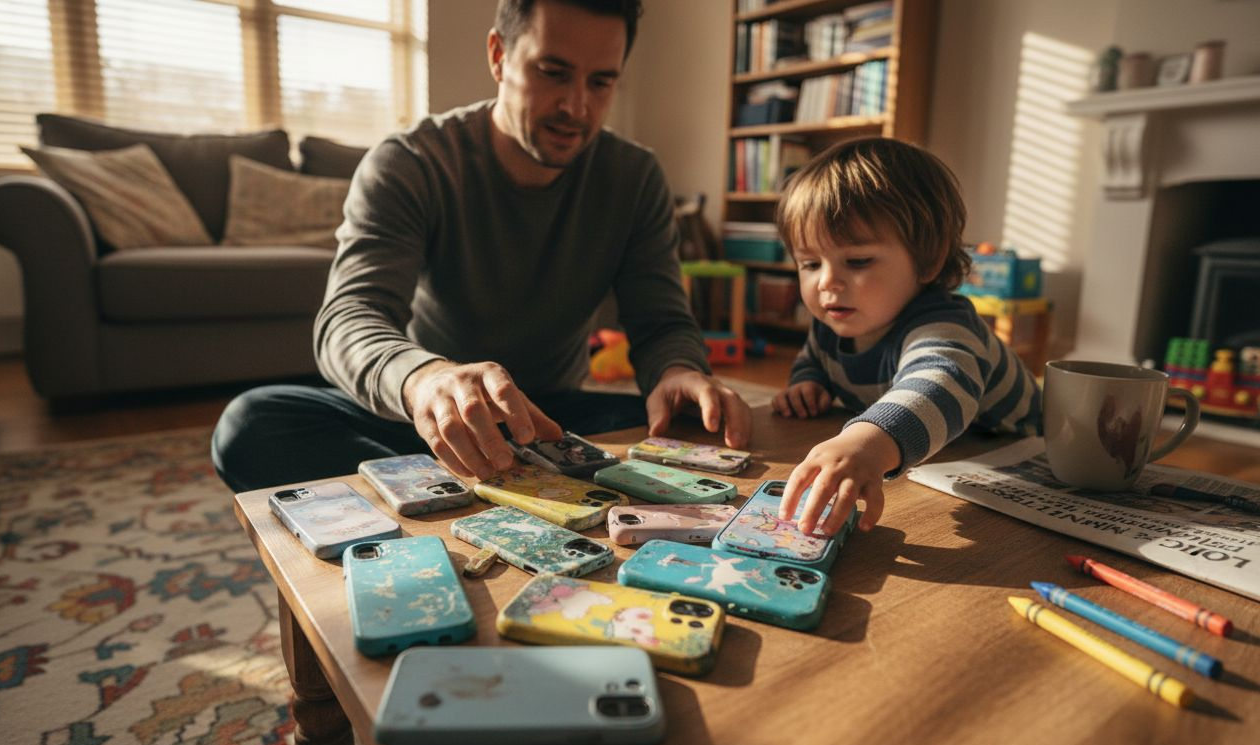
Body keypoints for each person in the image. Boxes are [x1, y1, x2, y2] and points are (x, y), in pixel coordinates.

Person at [212, 0, 751, 493]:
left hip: (550, 421)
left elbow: (660, 322)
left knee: (680, 421)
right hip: (423, 419)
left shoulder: (635, 178)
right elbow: (349, 318)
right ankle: (482, 491)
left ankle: (443, 497)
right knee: (250, 424)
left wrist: (678, 370)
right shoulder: (410, 162)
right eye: (553, 72)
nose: (576, 107)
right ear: (498, 55)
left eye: (601, 82)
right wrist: (426, 379)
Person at [770, 137, 1041, 536]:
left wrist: (866, 444)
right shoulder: (834, 322)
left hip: (1023, 457)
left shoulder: (945, 323)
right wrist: (807, 382)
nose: (827, 282)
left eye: (858, 260)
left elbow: (938, 384)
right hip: (947, 464)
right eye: (810, 262)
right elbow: (817, 358)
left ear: (928, 260)